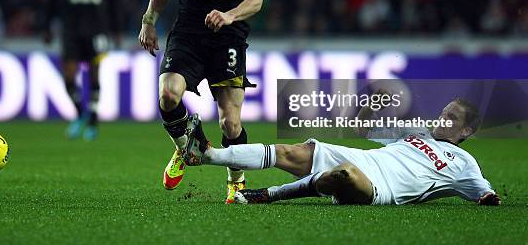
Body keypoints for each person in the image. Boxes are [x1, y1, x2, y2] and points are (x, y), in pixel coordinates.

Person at [138, 0, 265, 202]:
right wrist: (149, 20)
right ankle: (188, 147)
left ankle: (235, 179)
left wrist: (229, 15)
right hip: (188, 33)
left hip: (227, 38)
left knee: (230, 124)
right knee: (168, 94)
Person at [183, 98, 501, 206]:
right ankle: (206, 154)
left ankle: (270, 193)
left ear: (466, 131)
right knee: (292, 150)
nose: (441, 119)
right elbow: (362, 130)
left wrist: (487, 197)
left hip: (380, 188)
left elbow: (482, 192)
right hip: (362, 159)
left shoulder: (463, 162)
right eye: (442, 113)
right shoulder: (415, 133)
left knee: (343, 175)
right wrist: (370, 105)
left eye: (450, 118)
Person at [44, 0, 121, 141]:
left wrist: (116, 30)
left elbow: (115, 0)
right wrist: (47, 26)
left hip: (97, 28)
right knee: (68, 76)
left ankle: (93, 121)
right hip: (70, 29)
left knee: (94, 74)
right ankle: (80, 114)